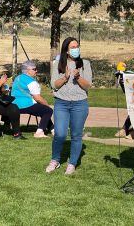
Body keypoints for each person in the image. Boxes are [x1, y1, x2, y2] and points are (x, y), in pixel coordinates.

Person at [45, 37, 92, 175]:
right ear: (66, 49)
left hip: (80, 103)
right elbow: (54, 85)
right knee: (59, 134)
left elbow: (87, 86)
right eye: (72, 47)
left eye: (77, 46)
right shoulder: (58, 64)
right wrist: (65, 77)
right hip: (61, 103)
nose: (75, 49)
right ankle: (55, 160)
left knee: (76, 135)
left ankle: (72, 163)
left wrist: (78, 77)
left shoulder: (85, 64)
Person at [11, 60, 54, 138]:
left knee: (43, 110)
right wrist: (47, 104)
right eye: (34, 69)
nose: (36, 71)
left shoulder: (18, 77)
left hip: (13, 105)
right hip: (26, 105)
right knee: (48, 110)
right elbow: (37, 98)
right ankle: (39, 132)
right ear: (28, 70)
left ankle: (53, 129)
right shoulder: (31, 82)